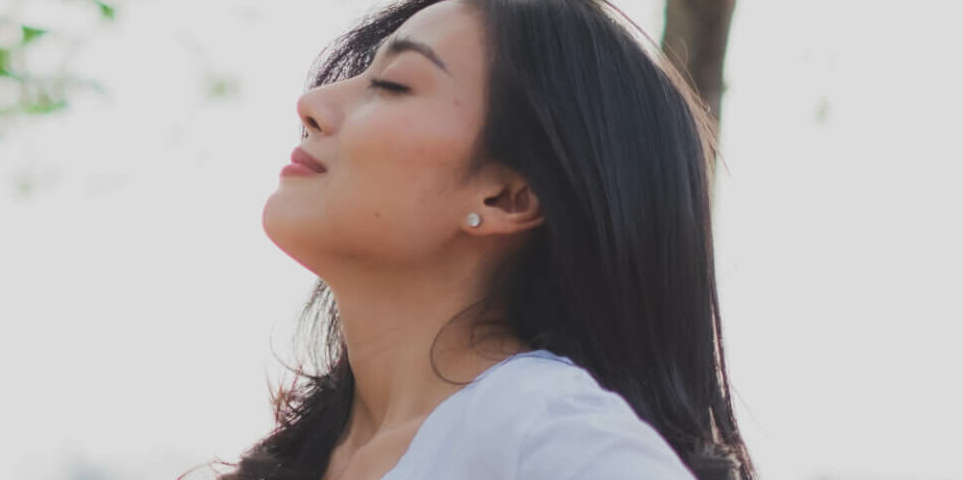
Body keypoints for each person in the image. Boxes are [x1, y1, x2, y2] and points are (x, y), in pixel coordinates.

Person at [218, 0, 755, 479]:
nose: (311, 103)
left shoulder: (536, 418)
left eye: (392, 84)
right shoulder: (315, 455)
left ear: (506, 197)